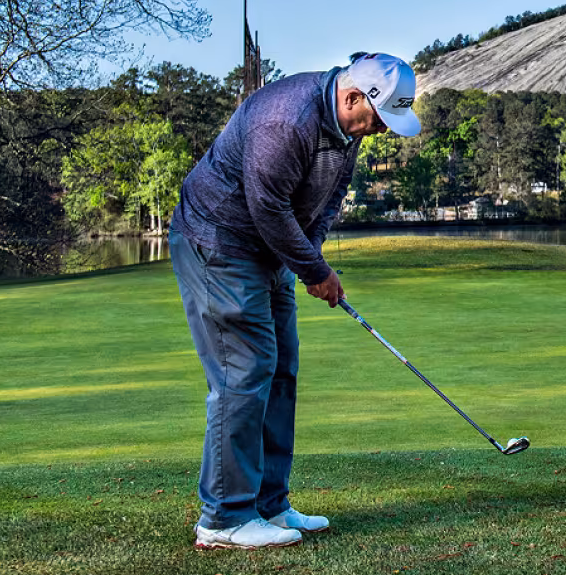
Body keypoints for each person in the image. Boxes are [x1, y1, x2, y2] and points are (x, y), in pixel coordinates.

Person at [169, 52, 421, 549]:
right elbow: (268, 205)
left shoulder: (347, 130)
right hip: (218, 241)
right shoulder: (286, 119)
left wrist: (311, 259)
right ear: (353, 98)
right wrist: (314, 270)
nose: (382, 132)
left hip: (269, 250)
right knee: (244, 371)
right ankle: (223, 518)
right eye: (379, 119)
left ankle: (269, 505)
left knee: (281, 368)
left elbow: (328, 199)